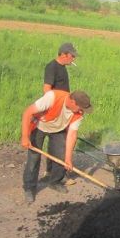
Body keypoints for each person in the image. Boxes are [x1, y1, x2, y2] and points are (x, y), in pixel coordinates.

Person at [20, 90, 93, 203]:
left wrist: (68, 159)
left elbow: (72, 134)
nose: (81, 111)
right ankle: (29, 187)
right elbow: (27, 112)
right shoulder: (53, 97)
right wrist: (25, 136)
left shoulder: (78, 114)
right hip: (39, 125)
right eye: (80, 108)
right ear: (73, 102)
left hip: (58, 129)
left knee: (61, 155)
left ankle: (55, 182)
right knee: (34, 158)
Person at [42, 42, 78, 182]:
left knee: (54, 142)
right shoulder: (52, 67)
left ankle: (50, 171)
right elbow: (46, 89)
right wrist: (54, 108)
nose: (73, 59)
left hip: (63, 108)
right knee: (61, 142)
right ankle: (59, 177)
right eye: (72, 56)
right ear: (64, 54)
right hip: (57, 109)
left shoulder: (62, 67)